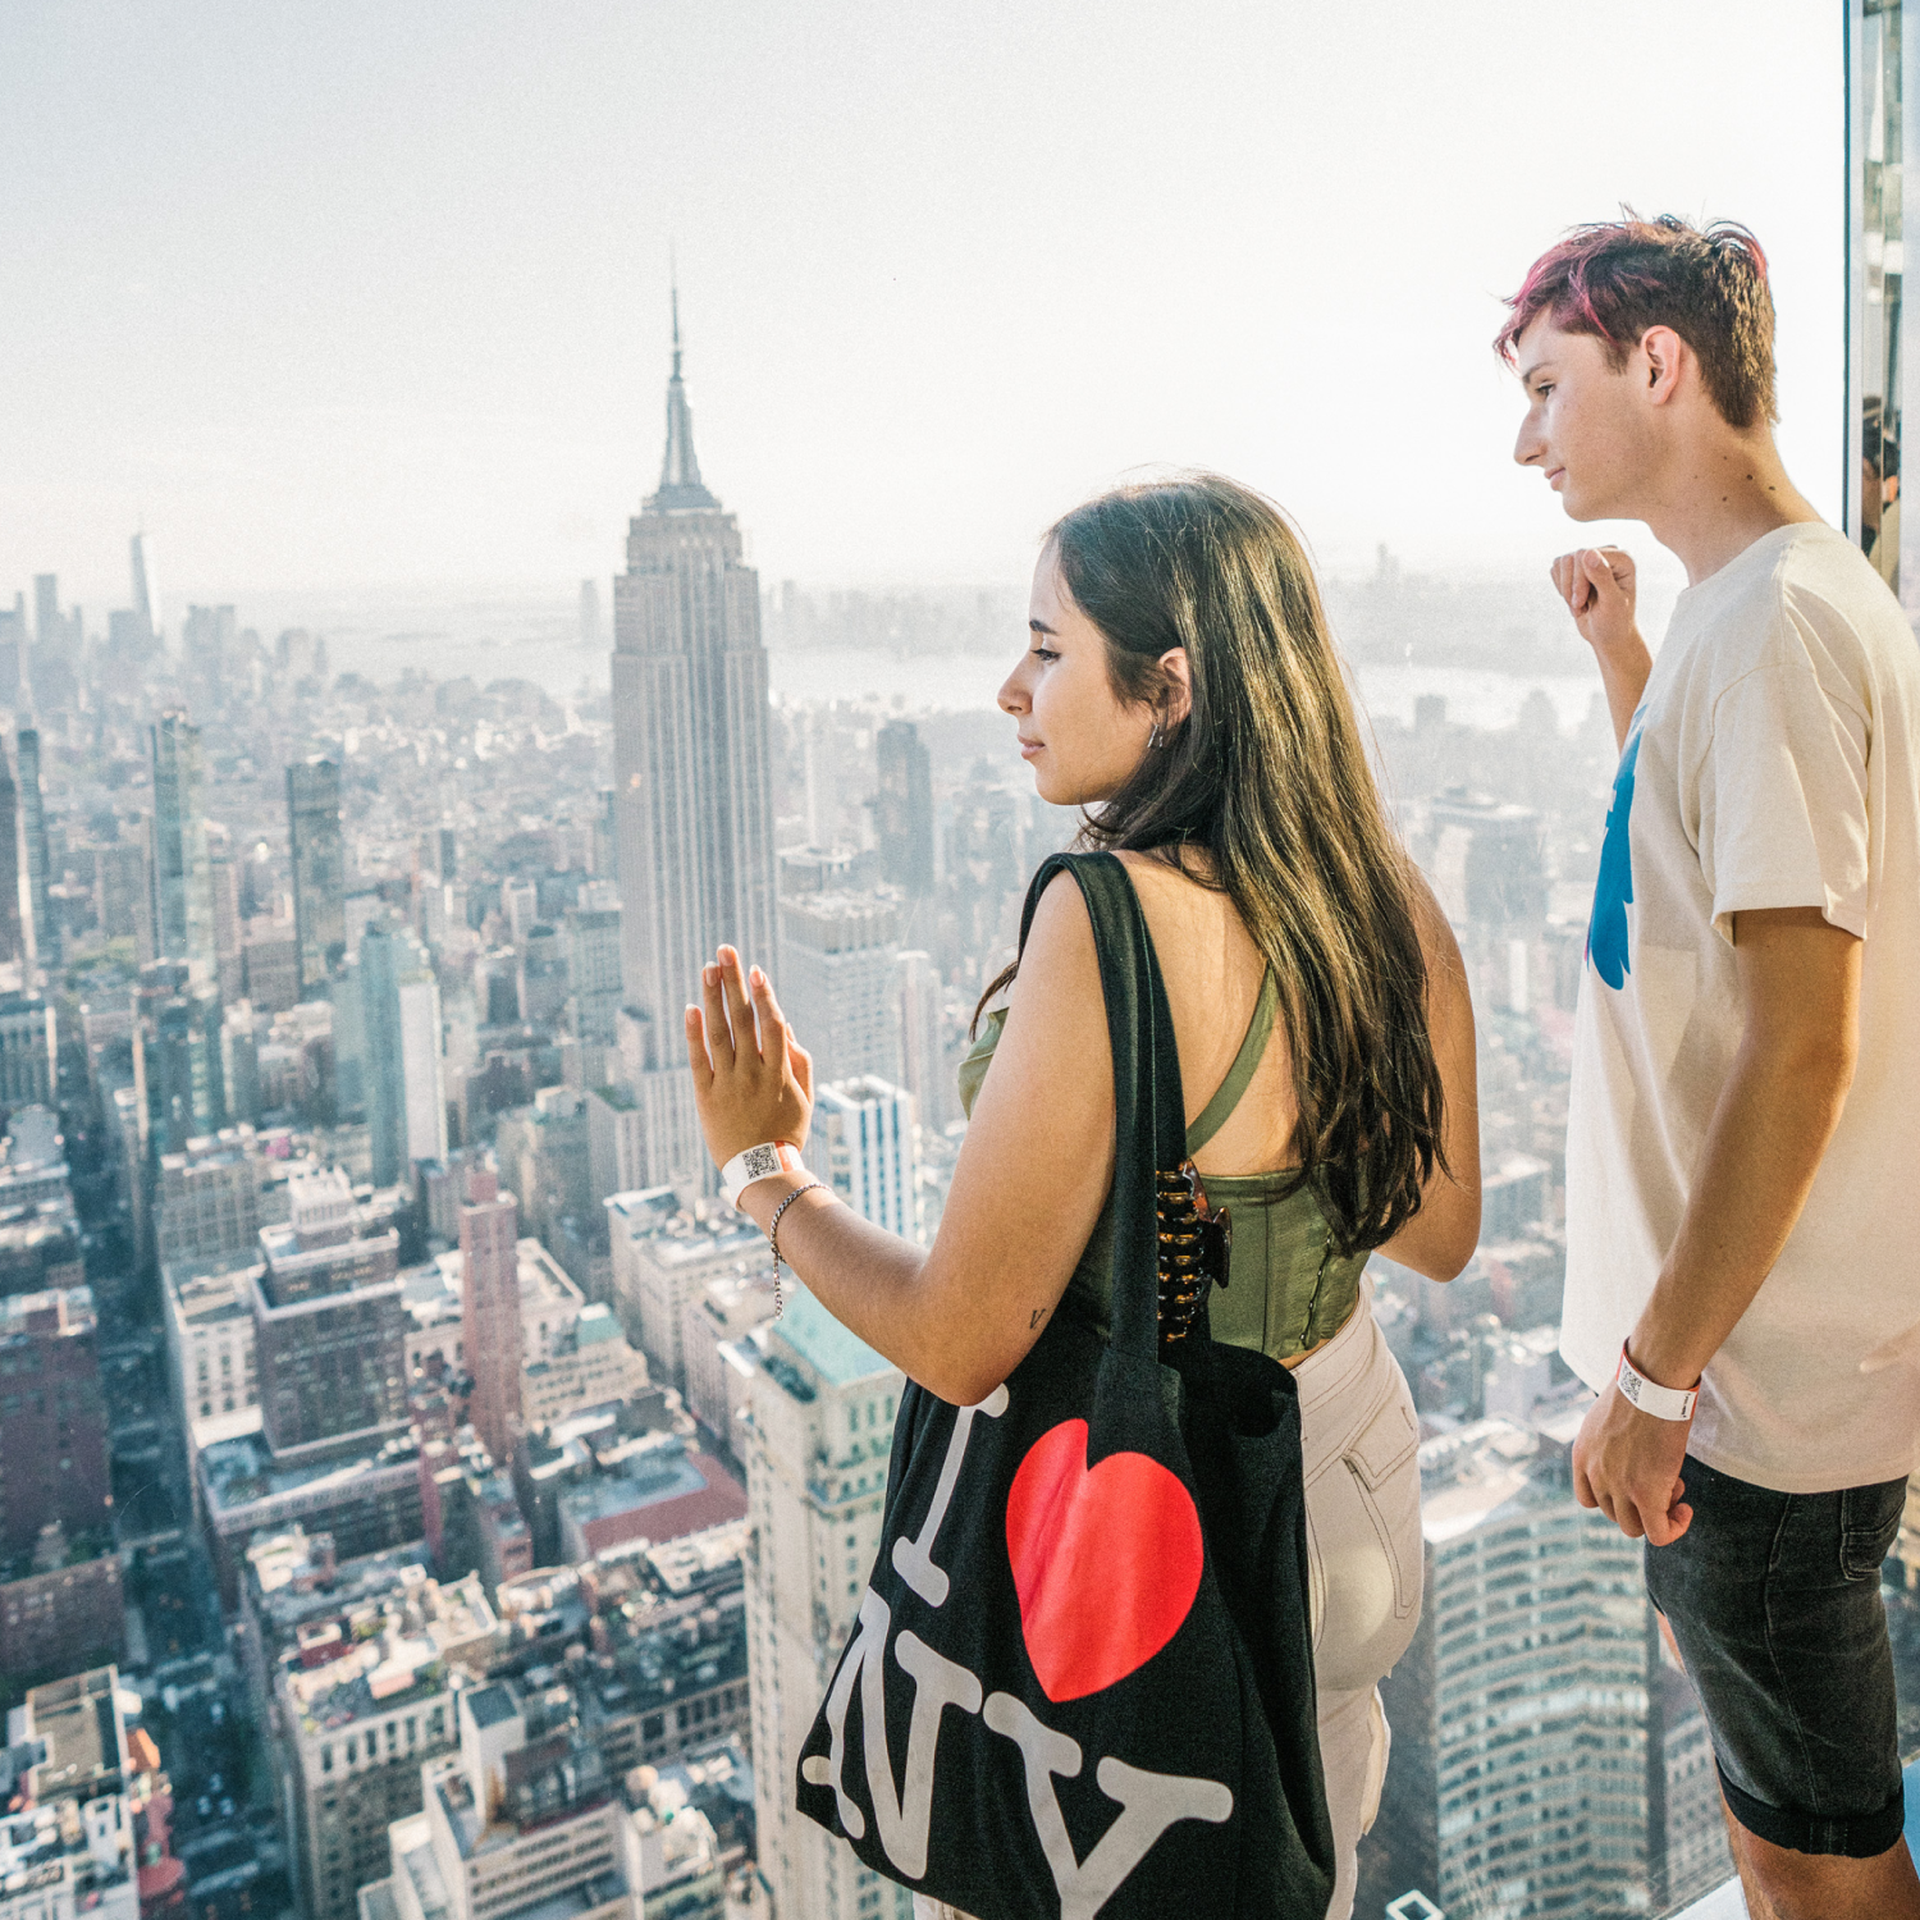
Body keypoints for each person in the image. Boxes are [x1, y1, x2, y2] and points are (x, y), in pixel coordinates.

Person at [686, 473, 1480, 1919]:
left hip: (1157, 1514)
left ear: (1167, 688)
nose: (1011, 688)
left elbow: (963, 1338)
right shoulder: (1388, 899)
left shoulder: (1101, 915)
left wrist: (768, 1172)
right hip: (1350, 1481)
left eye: (1050, 648)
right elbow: (1442, 1227)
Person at [1502, 214, 1920, 1920]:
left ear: (1657, 363)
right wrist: (1623, 666)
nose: (1525, 438)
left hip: (1757, 1414)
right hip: (1750, 1397)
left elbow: (1802, 1041)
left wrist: (1658, 1381)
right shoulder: (1772, 614)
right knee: (1788, 1846)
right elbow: (1693, 874)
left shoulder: (1774, 632)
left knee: (1816, 1874)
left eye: (1548, 386)